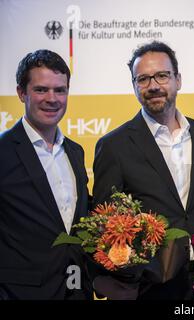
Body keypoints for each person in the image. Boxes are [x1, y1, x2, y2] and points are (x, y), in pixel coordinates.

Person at [93, 41, 194, 299]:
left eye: (162, 75)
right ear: (134, 86)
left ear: (178, 80)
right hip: (150, 286)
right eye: (144, 79)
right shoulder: (114, 145)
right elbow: (104, 224)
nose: (154, 86)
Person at [0, 50, 91, 299]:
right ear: (21, 93)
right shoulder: (3, 151)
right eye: (41, 90)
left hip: (77, 291)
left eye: (60, 90)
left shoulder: (75, 151)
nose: (52, 99)